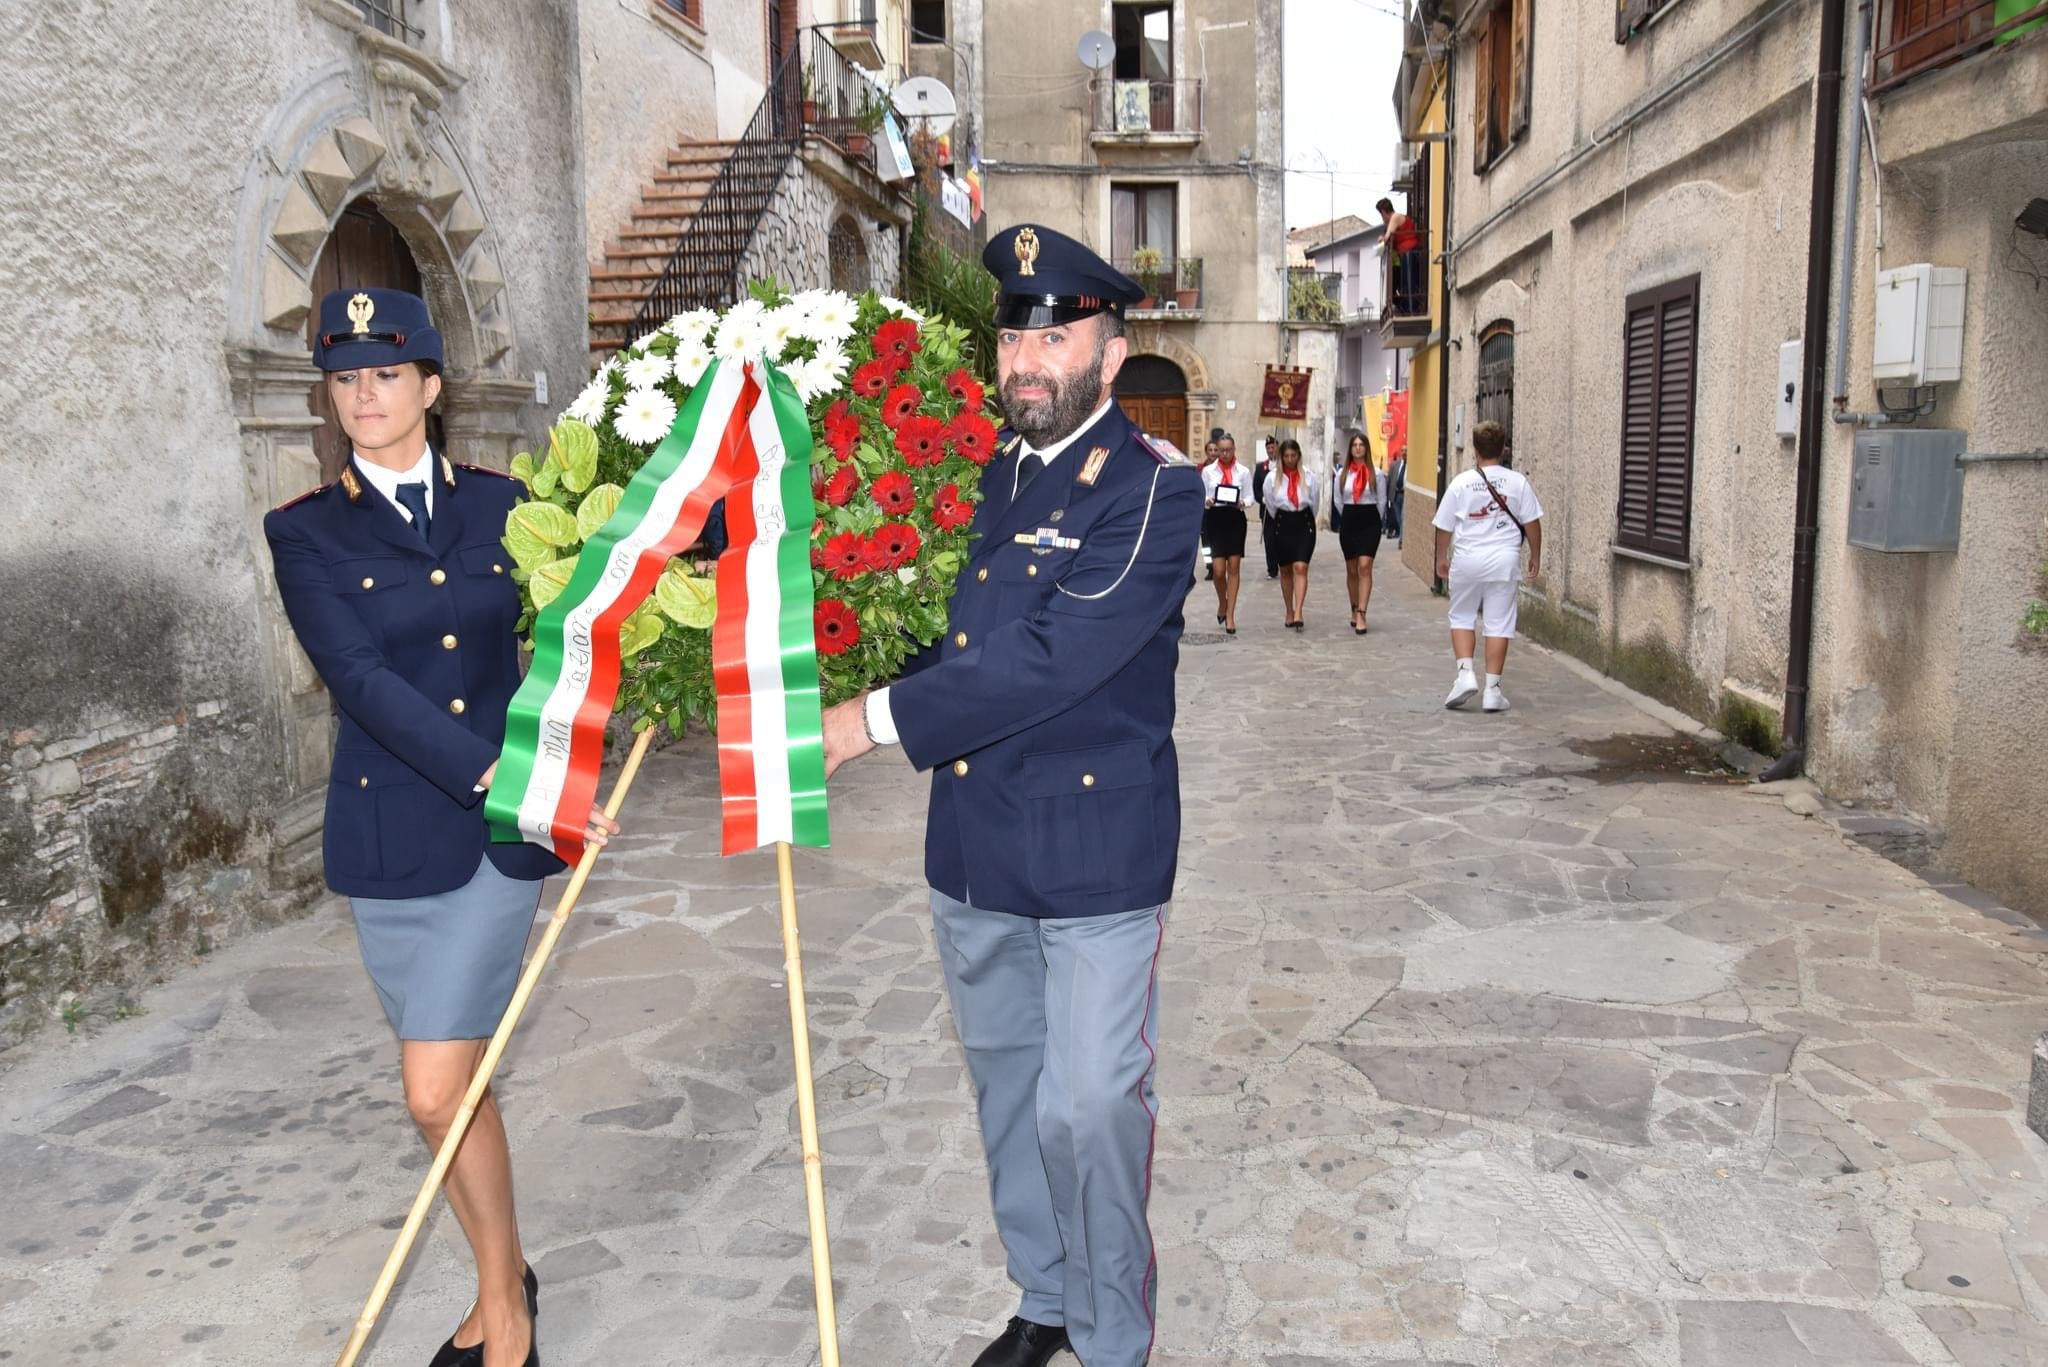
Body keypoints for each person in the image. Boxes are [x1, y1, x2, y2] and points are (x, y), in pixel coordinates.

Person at [816, 222, 1203, 1367]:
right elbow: (859, 561)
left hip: (1095, 855)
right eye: (1013, 333)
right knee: (1006, 1101)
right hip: (976, 851)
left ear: (1110, 344)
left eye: (1057, 330)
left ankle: (1113, 1334)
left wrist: (864, 720)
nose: (1027, 356)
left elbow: (1047, 658)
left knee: (1086, 1104)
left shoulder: (1150, 494)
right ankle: (1043, 1298)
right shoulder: (968, 473)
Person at [265, 288, 614, 1367]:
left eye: (385, 373)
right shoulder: (304, 530)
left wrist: (541, 773)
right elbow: (361, 681)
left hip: (498, 840)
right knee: (458, 1082)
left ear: (429, 386)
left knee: (430, 1087)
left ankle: (504, 1315)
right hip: (390, 846)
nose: (363, 395)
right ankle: (499, 1274)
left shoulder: (508, 507)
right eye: (344, 378)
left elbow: (581, 616)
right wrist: (504, 772)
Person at [1433, 419, 1543, 712]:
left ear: (1475, 448)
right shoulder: (1518, 482)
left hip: (1468, 558)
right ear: (1503, 448)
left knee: (1462, 616)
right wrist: (1535, 554)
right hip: (1503, 560)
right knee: (1499, 622)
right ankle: (1493, 690)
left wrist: (1441, 558)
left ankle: (1465, 674)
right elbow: (1532, 523)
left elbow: (1444, 526)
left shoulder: (1460, 483)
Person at [1333, 430, 1388, 635]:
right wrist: (1347, 516)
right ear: (1350, 449)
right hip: (1349, 520)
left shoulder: (1377, 474)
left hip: (1369, 521)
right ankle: (1354, 608)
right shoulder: (1342, 474)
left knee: (1365, 566)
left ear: (1366, 448)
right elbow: (1338, 500)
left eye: (1361, 445)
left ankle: (1363, 613)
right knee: (1352, 569)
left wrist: (1375, 519)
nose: (1358, 448)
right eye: (1354, 445)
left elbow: (1381, 500)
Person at [1262, 437, 1319, 629]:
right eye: (1286, 456)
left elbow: (1315, 501)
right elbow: (1270, 504)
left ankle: (1299, 610)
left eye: (1293, 455)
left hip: (1303, 523)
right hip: (1282, 523)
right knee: (1285, 570)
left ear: (1299, 456)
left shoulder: (1309, 476)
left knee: (1301, 567)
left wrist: (1308, 519)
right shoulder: (1272, 478)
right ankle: (1288, 609)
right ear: (1281, 457)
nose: (1289, 459)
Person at [1202, 432, 1249, 634]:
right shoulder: (1208, 471)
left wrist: (1243, 503)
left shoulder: (1243, 471)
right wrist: (1208, 501)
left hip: (1235, 518)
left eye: (1228, 450)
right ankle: (1223, 601)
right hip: (1216, 519)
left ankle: (1230, 614)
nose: (1225, 453)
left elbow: (1250, 497)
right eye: (1221, 450)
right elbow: (1202, 495)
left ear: (1234, 449)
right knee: (1219, 570)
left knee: (1234, 567)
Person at [1378, 196, 1423, 315]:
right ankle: (1409, 307)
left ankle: (1412, 309)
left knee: (1409, 282)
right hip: (1406, 253)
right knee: (1406, 283)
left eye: (1381, 215)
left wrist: (1383, 239)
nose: (1382, 219)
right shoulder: (1395, 218)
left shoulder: (1395, 217)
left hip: (1409, 251)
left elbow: (1389, 234)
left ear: (1383, 212)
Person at [1255, 434, 1280, 579]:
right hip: (1266, 511)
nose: (1271, 450)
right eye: (1268, 448)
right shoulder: (1260, 468)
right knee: (1269, 540)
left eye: (1273, 447)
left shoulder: (1284, 465)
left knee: (1282, 539)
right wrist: (1263, 499)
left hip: (1282, 509)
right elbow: (1256, 489)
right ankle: (1272, 568)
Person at [1384, 447, 1407, 542]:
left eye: (1406, 450)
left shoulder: (1412, 466)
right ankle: (1401, 534)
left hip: (1405, 494)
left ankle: (1402, 539)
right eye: (1403, 450)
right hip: (1395, 495)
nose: (1404, 452)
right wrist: (1387, 496)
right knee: (1398, 517)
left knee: (1403, 517)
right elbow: (1389, 480)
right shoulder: (1395, 465)